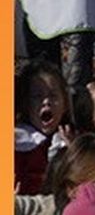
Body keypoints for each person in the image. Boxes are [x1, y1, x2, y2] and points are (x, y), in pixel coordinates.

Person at [15, 59, 71, 195]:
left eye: (53, 95)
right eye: (37, 96)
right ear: (25, 105)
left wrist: (73, 154)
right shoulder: (18, 144)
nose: (46, 102)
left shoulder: (72, 140)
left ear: (65, 104)